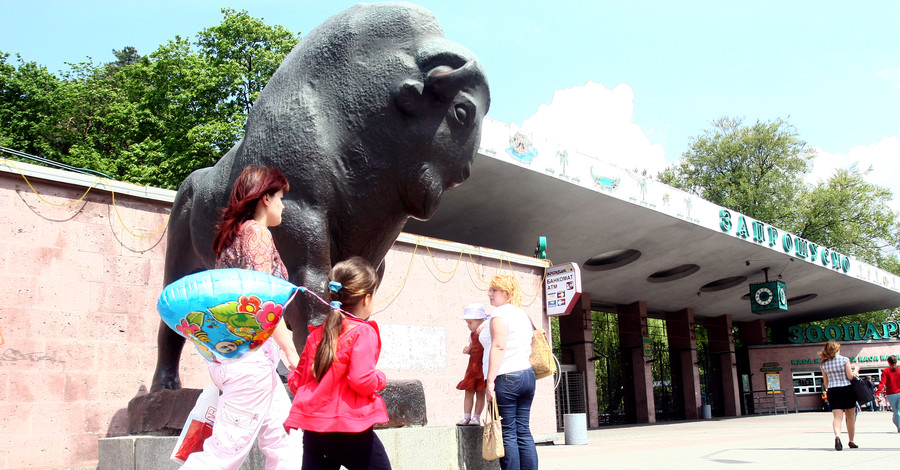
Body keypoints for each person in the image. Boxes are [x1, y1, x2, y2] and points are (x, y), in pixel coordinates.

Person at [181, 165, 301, 470]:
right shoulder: (257, 233)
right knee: (223, 456)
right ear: (265, 199)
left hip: (243, 362)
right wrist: (291, 352)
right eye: (280, 197)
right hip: (252, 364)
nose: (283, 205)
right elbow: (264, 306)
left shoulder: (233, 236)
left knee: (285, 442)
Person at [284, 256, 391, 469]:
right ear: (366, 299)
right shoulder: (363, 332)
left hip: (315, 432)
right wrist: (380, 379)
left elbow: (296, 382)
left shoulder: (317, 334)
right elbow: (361, 380)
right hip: (348, 429)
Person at [480, 275, 538, 470]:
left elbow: (498, 346)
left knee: (508, 433)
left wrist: (490, 381)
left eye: (494, 290)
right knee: (523, 431)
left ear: (506, 292)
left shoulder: (500, 314)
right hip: (528, 376)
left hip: (507, 377)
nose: (489, 294)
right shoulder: (522, 314)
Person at [819, 340, 859, 451]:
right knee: (850, 417)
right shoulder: (845, 360)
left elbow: (826, 383)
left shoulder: (824, 364)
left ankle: (837, 436)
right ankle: (851, 441)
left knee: (837, 417)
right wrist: (856, 371)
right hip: (847, 389)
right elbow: (850, 377)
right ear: (837, 349)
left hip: (833, 390)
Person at [456, 303, 488, 426]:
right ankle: (466, 416)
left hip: (482, 368)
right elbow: (473, 348)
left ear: (480, 320)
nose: (468, 326)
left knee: (481, 392)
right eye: (467, 323)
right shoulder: (472, 335)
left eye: (470, 323)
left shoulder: (485, 334)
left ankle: (476, 417)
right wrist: (468, 350)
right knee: (469, 391)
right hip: (472, 368)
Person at [875, 355, 900, 432]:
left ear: (888, 362)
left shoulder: (886, 371)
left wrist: (878, 392)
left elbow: (882, 383)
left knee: (896, 411)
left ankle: (899, 426)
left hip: (891, 394)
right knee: (898, 410)